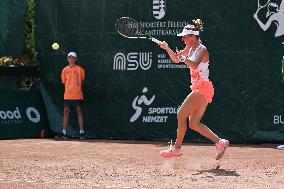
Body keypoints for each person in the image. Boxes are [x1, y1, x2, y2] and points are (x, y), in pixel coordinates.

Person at [159, 19, 229, 160]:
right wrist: (167, 48)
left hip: (203, 87)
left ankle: (176, 149)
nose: (183, 39)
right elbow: (177, 60)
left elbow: (195, 64)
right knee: (193, 123)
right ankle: (219, 142)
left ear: (192, 36)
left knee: (180, 114)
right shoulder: (190, 48)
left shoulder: (202, 49)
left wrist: (184, 58)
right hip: (201, 88)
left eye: (185, 37)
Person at [61, 52, 86, 139]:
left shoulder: (80, 70)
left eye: (73, 58)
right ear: (67, 59)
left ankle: (82, 132)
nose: (71, 59)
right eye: (69, 58)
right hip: (67, 96)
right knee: (66, 112)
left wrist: (76, 88)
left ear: (76, 59)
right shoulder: (64, 70)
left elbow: (82, 81)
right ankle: (64, 132)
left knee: (79, 111)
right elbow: (64, 82)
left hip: (78, 95)